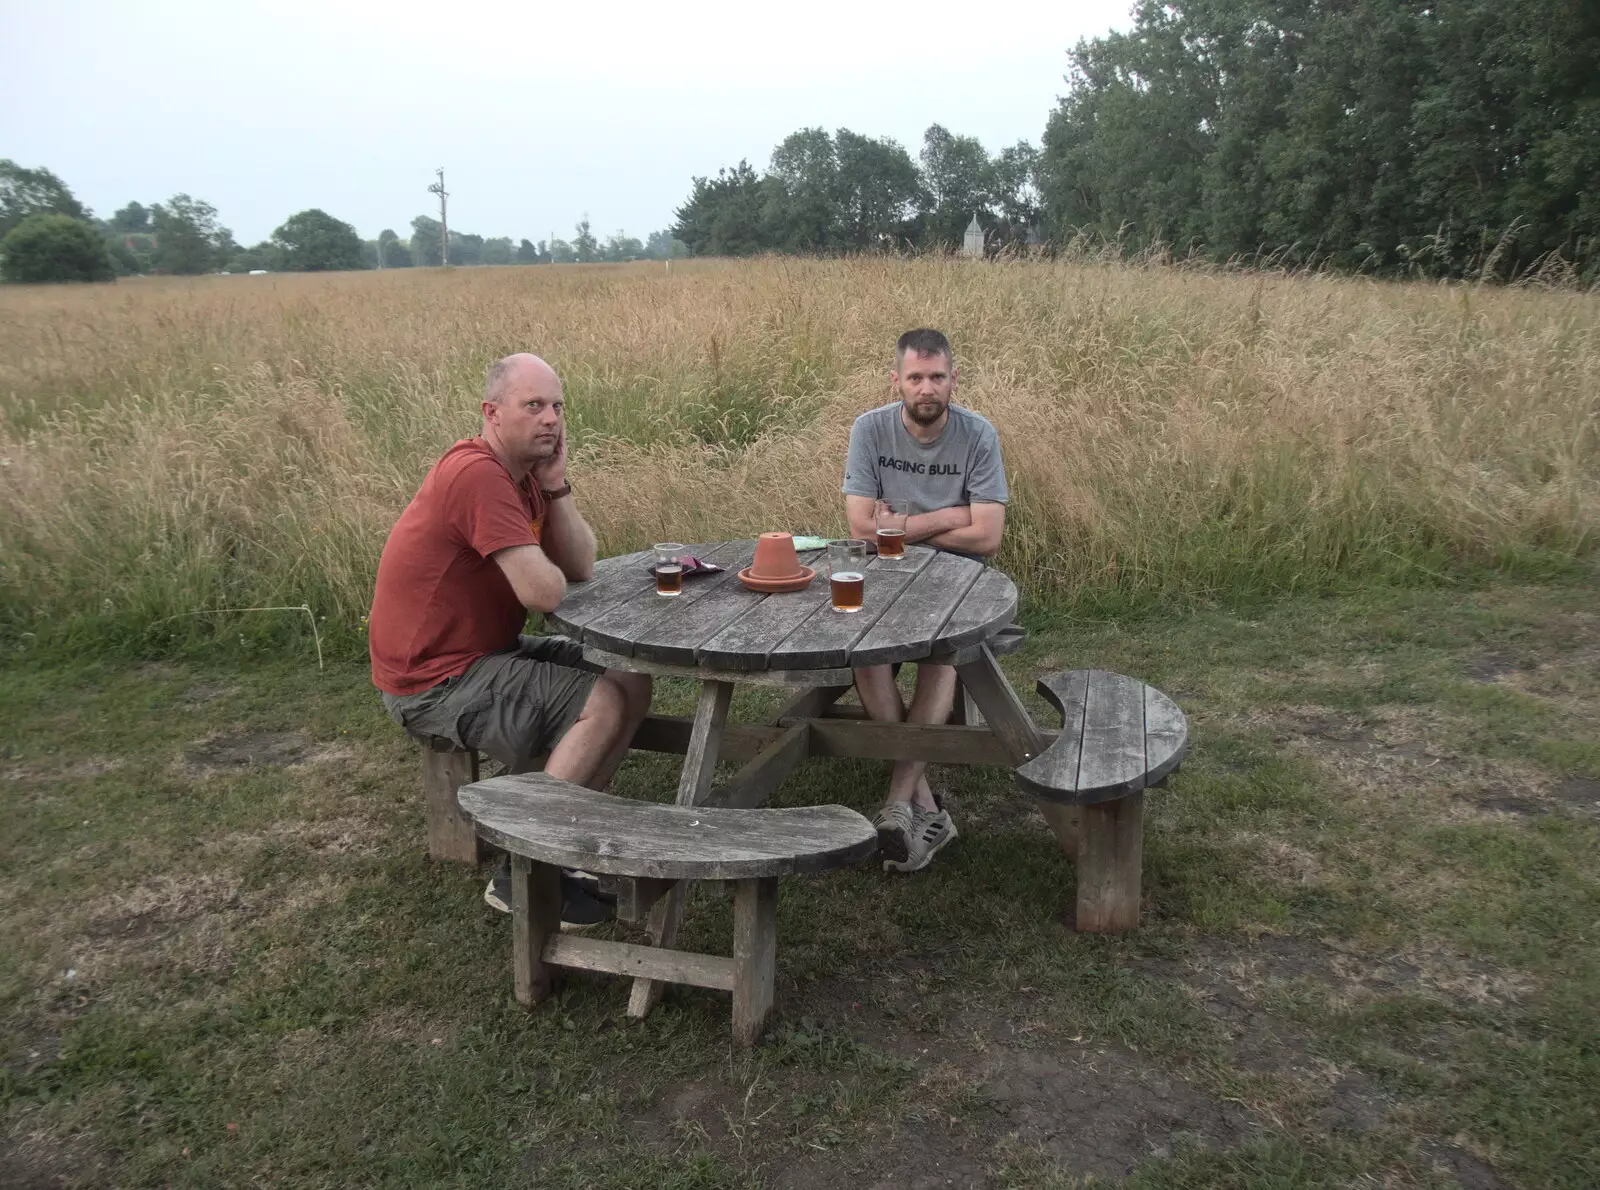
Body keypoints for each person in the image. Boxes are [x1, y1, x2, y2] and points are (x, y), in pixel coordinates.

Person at [369, 353, 652, 923]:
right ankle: (521, 874)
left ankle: (567, 845)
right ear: (491, 413)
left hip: (480, 653)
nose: (551, 419)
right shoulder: (477, 475)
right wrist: (543, 565)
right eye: (534, 406)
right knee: (597, 703)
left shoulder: (524, 480)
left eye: (557, 406)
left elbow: (578, 565)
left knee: (627, 671)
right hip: (432, 678)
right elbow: (543, 592)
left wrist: (555, 487)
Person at [842, 328, 1008, 872]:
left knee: (942, 655)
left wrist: (904, 525)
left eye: (937, 377)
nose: (927, 388)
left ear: (953, 379)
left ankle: (896, 801)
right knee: (865, 655)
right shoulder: (870, 429)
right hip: (885, 574)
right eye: (916, 377)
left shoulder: (978, 435)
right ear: (898, 381)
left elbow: (986, 538)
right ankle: (923, 805)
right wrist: (951, 515)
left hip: (958, 579)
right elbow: (861, 528)